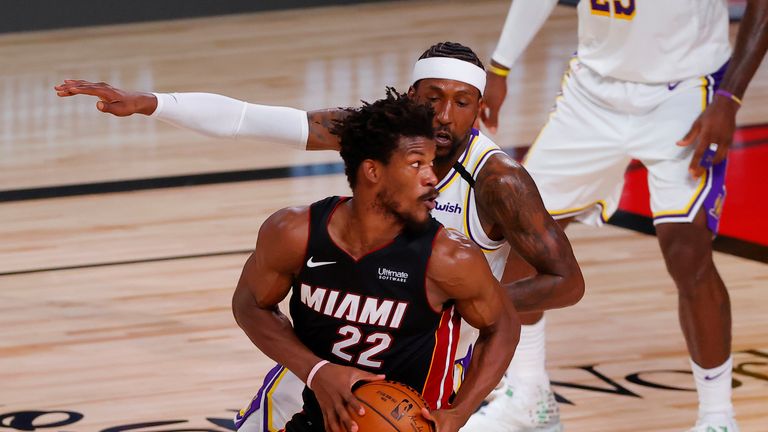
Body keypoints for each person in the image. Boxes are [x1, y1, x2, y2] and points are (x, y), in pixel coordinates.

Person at [55, 41, 584, 431]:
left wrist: (448, 301)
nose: (445, 116)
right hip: (333, 335)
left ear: (479, 108)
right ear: (411, 94)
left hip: (424, 358)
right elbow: (248, 119)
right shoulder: (376, 133)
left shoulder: (498, 182)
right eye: (433, 98)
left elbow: (566, 282)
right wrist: (151, 103)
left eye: (463, 102)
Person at [473, 1, 768, 431]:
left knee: (687, 253)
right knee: (521, 240)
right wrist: (500, 66)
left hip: (688, 90)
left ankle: (718, 419)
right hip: (592, 91)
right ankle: (529, 398)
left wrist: (730, 97)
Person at [230, 90, 519, 432]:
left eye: (431, 163)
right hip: (318, 415)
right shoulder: (295, 233)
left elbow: (503, 327)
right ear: (372, 171)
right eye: (416, 164)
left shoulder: (448, 257)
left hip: (406, 422)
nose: (432, 178)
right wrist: (316, 371)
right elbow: (250, 304)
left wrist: (459, 412)